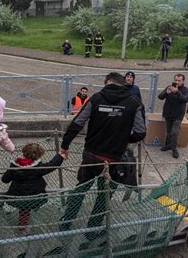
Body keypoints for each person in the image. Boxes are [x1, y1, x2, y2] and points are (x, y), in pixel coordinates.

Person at [59, 72, 146, 238]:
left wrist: (65, 145)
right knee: (104, 194)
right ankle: (92, 231)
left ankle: (65, 223)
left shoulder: (96, 98)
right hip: (114, 158)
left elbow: (77, 122)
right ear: (123, 83)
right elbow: (141, 132)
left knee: (81, 188)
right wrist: (125, 140)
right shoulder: (134, 103)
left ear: (107, 82)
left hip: (91, 155)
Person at [1, 143, 68, 235]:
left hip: (17, 194)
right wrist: (60, 156)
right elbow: (51, 165)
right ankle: (22, 229)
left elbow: (4, 180)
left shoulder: (14, 166)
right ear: (38, 156)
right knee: (26, 209)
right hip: (33, 194)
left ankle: (22, 227)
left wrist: (12, 172)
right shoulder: (37, 167)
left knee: (24, 210)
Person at [158, 74, 188, 158]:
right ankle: (168, 145)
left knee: (174, 132)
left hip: (178, 116)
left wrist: (177, 92)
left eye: (179, 80)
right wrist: (166, 92)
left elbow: (185, 99)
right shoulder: (169, 87)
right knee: (169, 132)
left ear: (183, 81)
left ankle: (174, 149)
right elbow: (160, 97)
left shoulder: (186, 90)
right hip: (168, 114)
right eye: (175, 80)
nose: (177, 82)